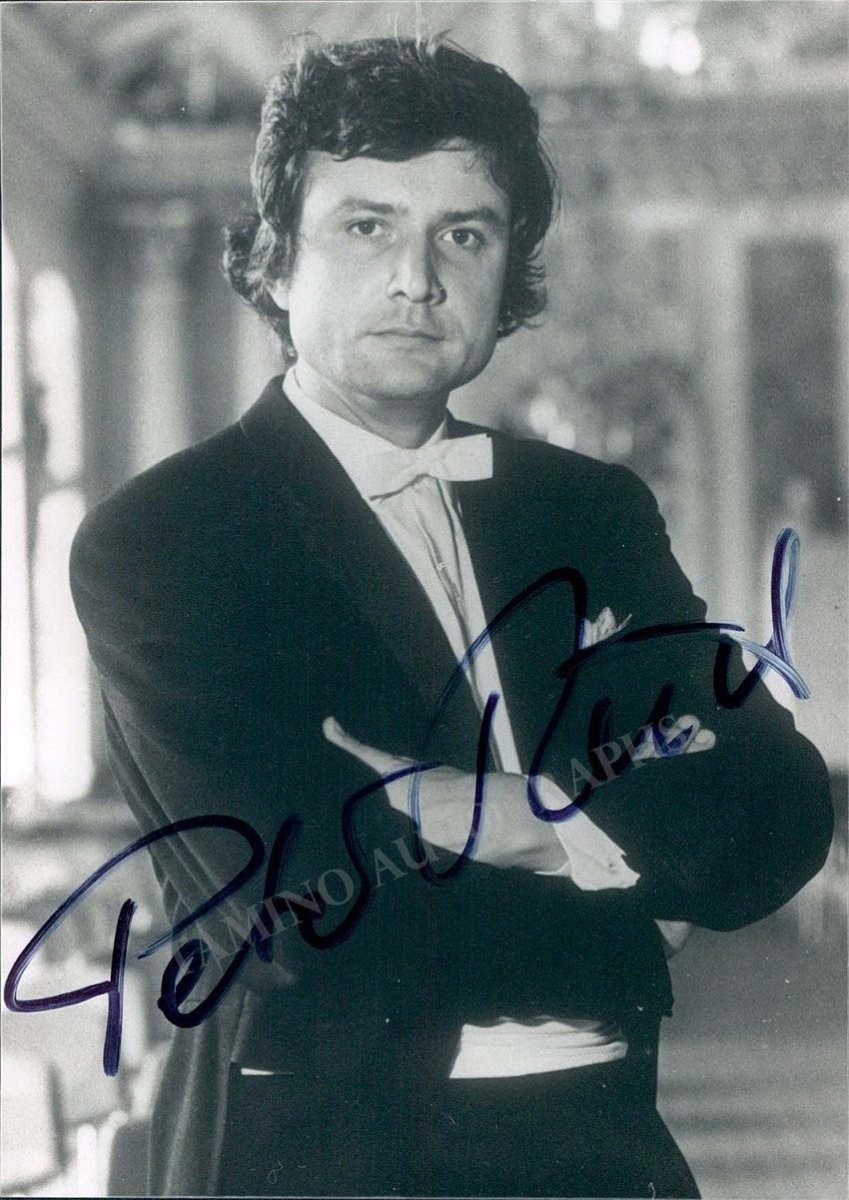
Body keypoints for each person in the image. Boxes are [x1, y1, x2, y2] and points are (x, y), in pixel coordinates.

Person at [70, 34, 833, 1199]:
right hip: (318, 1162)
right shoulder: (167, 536)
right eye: (366, 227)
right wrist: (643, 874)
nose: (416, 279)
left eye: (463, 235)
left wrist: (538, 821)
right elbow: (299, 922)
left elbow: (777, 807)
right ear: (275, 259)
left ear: (508, 272)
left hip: (607, 1153)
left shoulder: (588, 509)